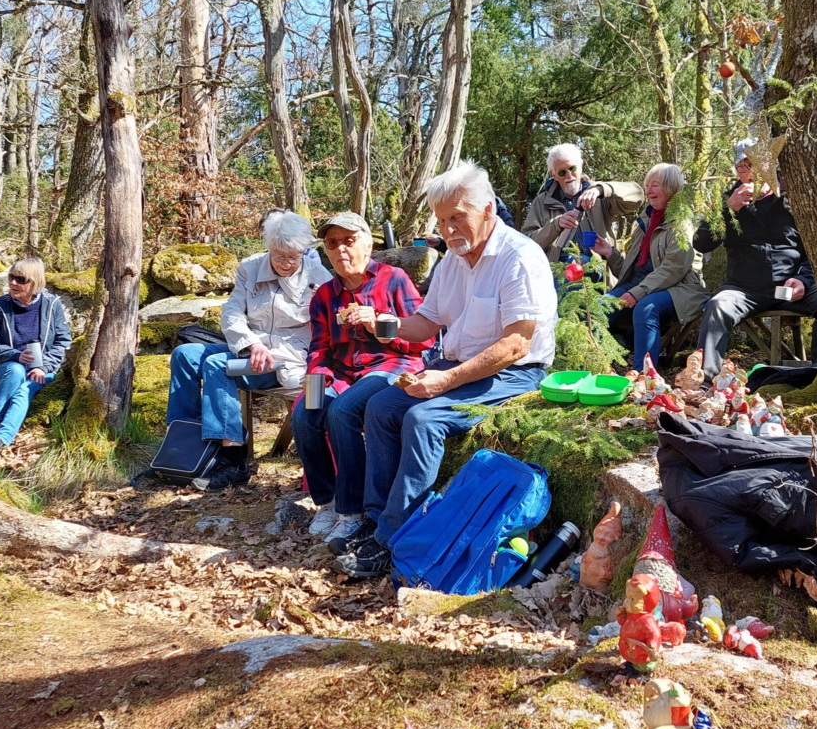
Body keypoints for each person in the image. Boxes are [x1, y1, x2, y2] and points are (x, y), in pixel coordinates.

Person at [331, 161, 558, 578]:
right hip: (456, 363)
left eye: (457, 217)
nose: (449, 229)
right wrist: (380, 322)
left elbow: (516, 345)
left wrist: (446, 380)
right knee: (381, 408)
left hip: (514, 371)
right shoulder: (452, 261)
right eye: (441, 220)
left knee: (423, 419)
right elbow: (424, 324)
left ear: (487, 210)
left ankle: (392, 539)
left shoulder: (520, 257)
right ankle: (376, 519)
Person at [291, 211, 432, 545]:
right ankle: (327, 502)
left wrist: (380, 321)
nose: (341, 249)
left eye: (348, 240)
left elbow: (423, 340)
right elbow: (319, 347)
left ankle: (352, 511)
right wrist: (317, 377)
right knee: (305, 413)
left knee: (343, 411)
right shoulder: (324, 295)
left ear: (367, 245)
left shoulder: (394, 279)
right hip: (341, 372)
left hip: (392, 365)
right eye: (332, 243)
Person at [166, 211, 331, 490]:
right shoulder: (250, 268)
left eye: (294, 257)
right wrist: (252, 344)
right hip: (249, 347)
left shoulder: (319, 277)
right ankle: (183, 448)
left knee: (217, 365)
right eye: (279, 256)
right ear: (269, 248)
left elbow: (326, 330)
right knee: (185, 355)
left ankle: (233, 460)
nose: (287, 264)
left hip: (290, 357)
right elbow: (232, 312)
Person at [693, 139, 817, 381]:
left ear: (770, 164)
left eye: (755, 164)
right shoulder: (728, 199)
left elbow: (816, 250)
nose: (749, 172)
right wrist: (728, 209)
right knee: (718, 306)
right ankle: (707, 381)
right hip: (744, 289)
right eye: (742, 166)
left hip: (788, 287)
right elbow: (701, 243)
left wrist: (804, 279)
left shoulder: (794, 198)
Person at [591, 163, 708, 372]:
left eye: (655, 185)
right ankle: (595, 368)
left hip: (680, 288)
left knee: (646, 308)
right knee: (597, 308)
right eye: (646, 186)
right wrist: (610, 253)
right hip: (641, 287)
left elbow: (673, 269)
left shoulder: (682, 223)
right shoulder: (646, 220)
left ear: (672, 189)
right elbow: (634, 272)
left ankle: (643, 376)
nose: (648, 191)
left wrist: (637, 293)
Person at [0, 257, 72, 460]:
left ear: (35, 282)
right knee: (16, 371)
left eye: (21, 279)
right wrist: (16, 355)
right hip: (7, 367)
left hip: (43, 369)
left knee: (24, 390)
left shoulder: (52, 304)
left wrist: (43, 366)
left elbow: (63, 341)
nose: (13, 283)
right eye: (11, 277)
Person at [522, 143, 643, 263]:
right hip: (558, 269)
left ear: (580, 166)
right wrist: (555, 225)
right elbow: (527, 243)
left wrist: (601, 190)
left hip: (597, 267)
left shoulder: (600, 197)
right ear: (553, 175)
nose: (569, 176)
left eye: (572, 168)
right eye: (562, 172)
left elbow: (638, 196)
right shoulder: (542, 202)